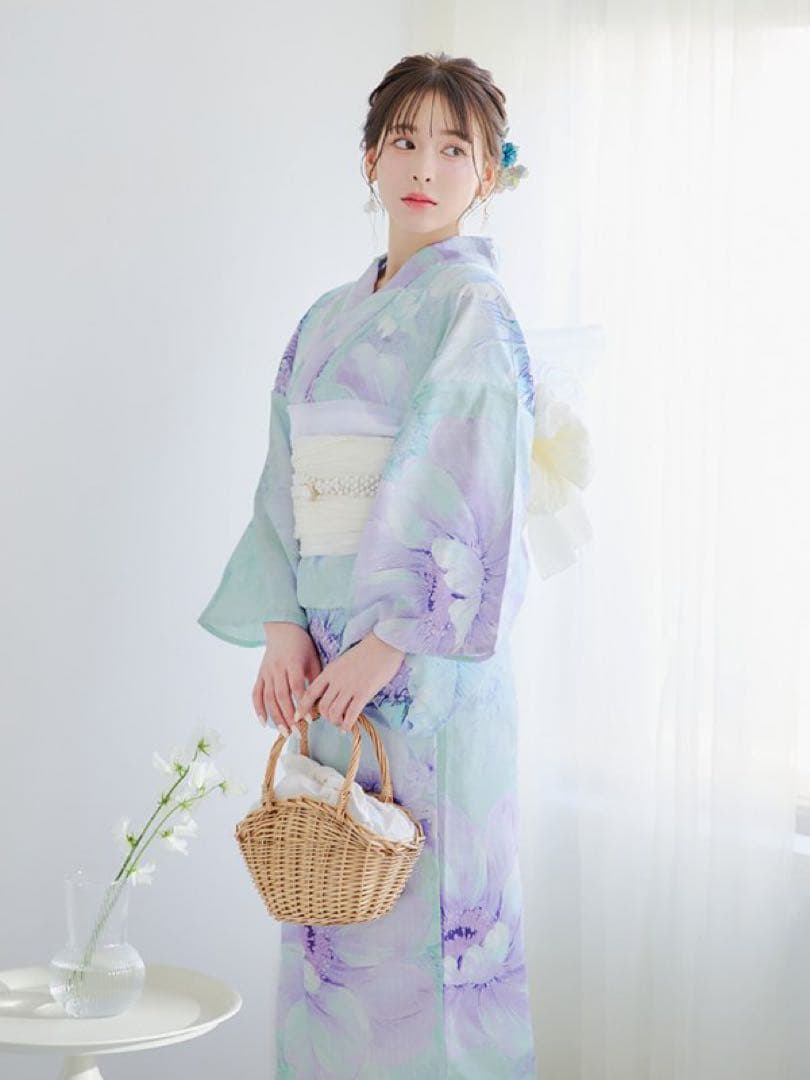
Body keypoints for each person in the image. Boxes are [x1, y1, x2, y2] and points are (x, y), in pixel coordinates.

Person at [198, 50, 592, 1079]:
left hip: (425, 661)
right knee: (332, 915)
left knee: (433, 940)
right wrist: (282, 625)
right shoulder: (324, 319)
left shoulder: (473, 310)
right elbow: (285, 477)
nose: (425, 166)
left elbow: (471, 484)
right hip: (329, 658)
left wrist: (389, 642)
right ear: (368, 157)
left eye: (453, 148)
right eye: (404, 141)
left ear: (488, 174)